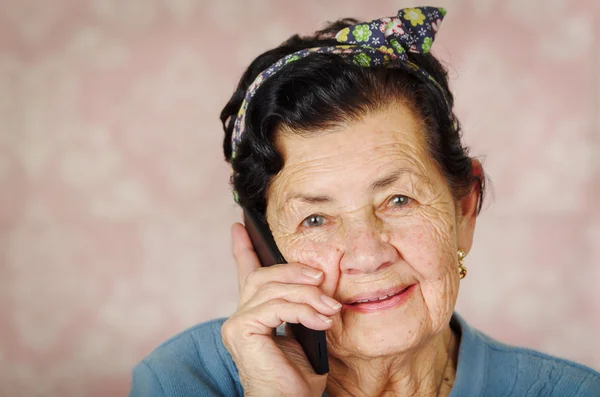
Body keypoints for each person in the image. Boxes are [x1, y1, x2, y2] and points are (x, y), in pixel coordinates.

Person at [129, 7, 600, 397]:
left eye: (398, 199)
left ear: (464, 209)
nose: (367, 254)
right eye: (315, 218)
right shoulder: (181, 379)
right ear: (263, 244)